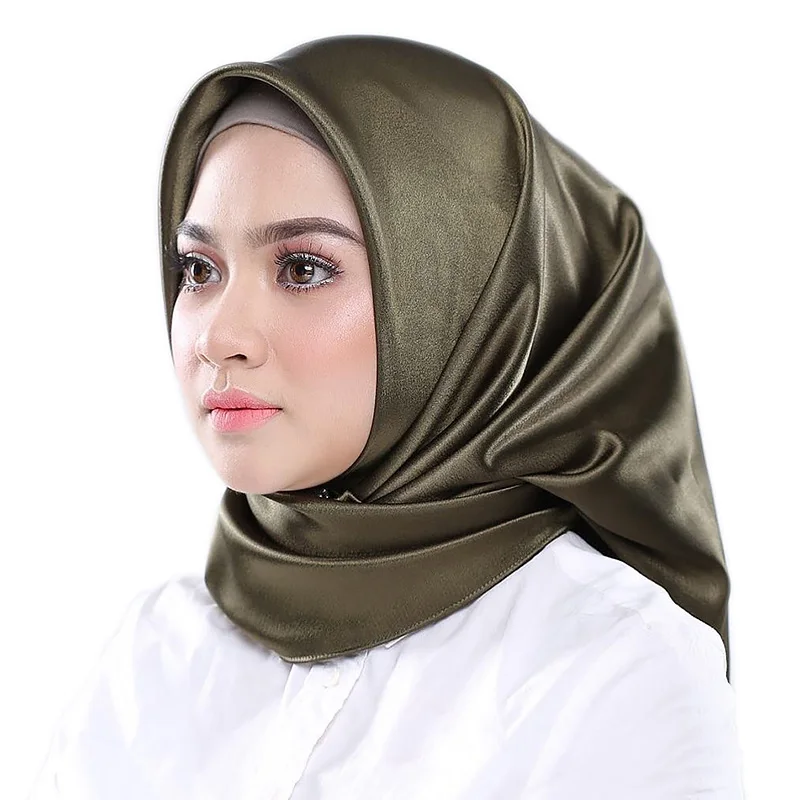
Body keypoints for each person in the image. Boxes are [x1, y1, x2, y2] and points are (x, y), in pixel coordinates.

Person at [29, 34, 745, 798]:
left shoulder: (613, 669)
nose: (217, 336)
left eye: (303, 268)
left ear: (466, 299)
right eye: (199, 269)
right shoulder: (152, 658)